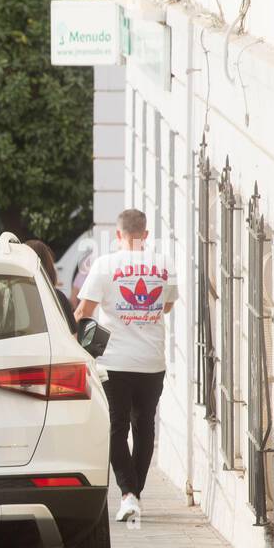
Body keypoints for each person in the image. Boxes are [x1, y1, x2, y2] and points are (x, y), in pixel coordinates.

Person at [74, 209, 176, 523]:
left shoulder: (104, 265)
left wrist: (80, 339)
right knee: (144, 427)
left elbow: (83, 312)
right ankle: (135, 494)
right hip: (151, 361)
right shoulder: (163, 264)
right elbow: (167, 306)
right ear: (145, 234)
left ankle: (128, 494)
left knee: (114, 427)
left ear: (118, 235)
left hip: (113, 361)